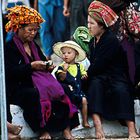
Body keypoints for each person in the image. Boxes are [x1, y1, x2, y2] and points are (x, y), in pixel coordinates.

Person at [4, 5, 79, 140]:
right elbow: (10, 73)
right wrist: (31, 67)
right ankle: (43, 130)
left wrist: (48, 66)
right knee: (34, 95)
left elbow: (44, 61)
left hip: (40, 82)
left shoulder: (34, 46)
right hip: (20, 87)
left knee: (65, 90)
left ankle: (67, 129)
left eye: (35, 30)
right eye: (30, 30)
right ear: (19, 28)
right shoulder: (9, 47)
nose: (33, 33)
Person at [87, 1, 139, 139]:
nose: (88, 26)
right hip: (100, 76)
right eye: (88, 23)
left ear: (101, 26)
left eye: (92, 23)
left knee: (121, 90)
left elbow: (100, 64)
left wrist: (86, 75)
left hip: (116, 75)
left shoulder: (110, 40)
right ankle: (99, 129)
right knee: (95, 85)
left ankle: (132, 130)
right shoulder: (92, 42)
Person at [53, 40, 90, 128]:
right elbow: (60, 77)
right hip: (68, 93)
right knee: (69, 105)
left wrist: (84, 76)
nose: (65, 55)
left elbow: (83, 73)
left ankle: (85, 120)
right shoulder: (61, 66)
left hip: (78, 91)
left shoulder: (79, 66)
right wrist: (64, 70)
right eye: (63, 53)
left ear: (76, 54)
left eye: (69, 53)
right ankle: (70, 123)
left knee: (84, 101)